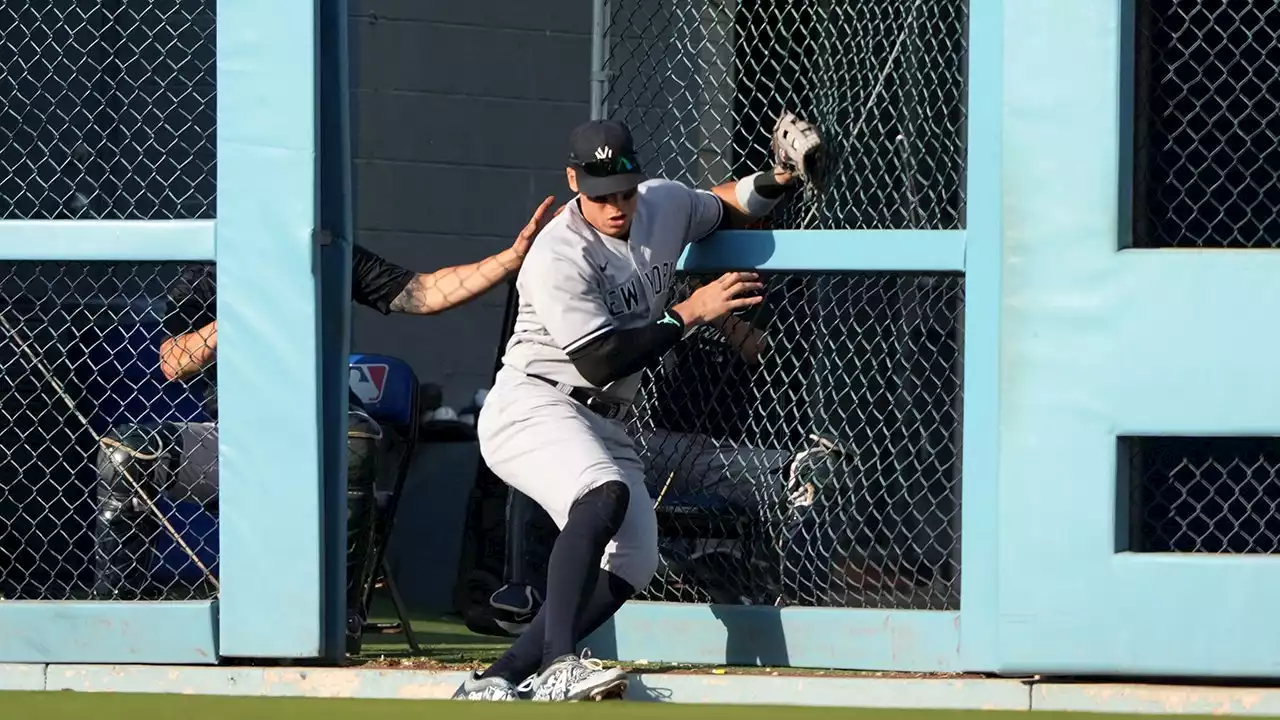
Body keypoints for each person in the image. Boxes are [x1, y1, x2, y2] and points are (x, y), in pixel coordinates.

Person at [90, 198, 556, 653]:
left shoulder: (329, 254)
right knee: (126, 456)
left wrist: (510, 258)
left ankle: (342, 618)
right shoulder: (215, 270)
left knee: (355, 438)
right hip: (233, 444)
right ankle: (122, 620)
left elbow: (424, 292)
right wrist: (247, 305)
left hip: (318, 439)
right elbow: (174, 362)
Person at [453, 118, 806, 702]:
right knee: (602, 495)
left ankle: (498, 679)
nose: (617, 206)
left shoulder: (661, 203)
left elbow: (726, 204)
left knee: (635, 560)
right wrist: (689, 312)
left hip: (605, 418)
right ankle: (559, 664)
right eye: (601, 195)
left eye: (624, 191)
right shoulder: (558, 253)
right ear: (573, 181)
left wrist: (780, 176)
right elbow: (600, 361)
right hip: (536, 401)